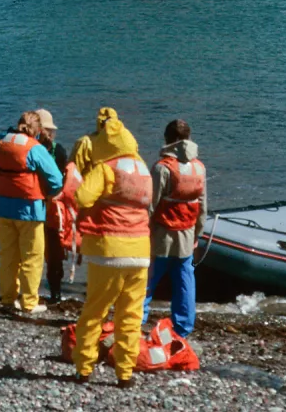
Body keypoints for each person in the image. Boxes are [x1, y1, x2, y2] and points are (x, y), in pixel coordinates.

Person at [72, 111, 151, 388]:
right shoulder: (143, 170)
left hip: (109, 250)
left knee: (95, 310)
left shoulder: (107, 168)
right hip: (141, 251)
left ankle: (84, 367)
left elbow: (82, 197)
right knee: (130, 315)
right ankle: (125, 374)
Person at [0, 110, 64, 314]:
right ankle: (29, 302)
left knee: (8, 255)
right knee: (32, 256)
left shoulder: (2, 144)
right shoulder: (35, 148)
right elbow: (56, 180)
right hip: (29, 209)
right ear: (38, 129)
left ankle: (7, 298)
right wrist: (48, 193)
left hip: (1, 207)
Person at [143, 119, 207, 340]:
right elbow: (202, 207)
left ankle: (136, 321)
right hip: (187, 236)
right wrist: (197, 234)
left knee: (146, 282)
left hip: (161, 236)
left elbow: (151, 205)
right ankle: (183, 329)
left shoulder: (162, 168)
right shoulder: (199, 167)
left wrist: (142, 231)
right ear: (189, 139)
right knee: (185, 283)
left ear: (167, 139)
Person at [37, 108, 80, 303]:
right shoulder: (58, 150)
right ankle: (55, 293)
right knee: (54, 254)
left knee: (32, 252)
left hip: (33, 205)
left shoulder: (26, 149)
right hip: (54, 208)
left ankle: (30, 292)